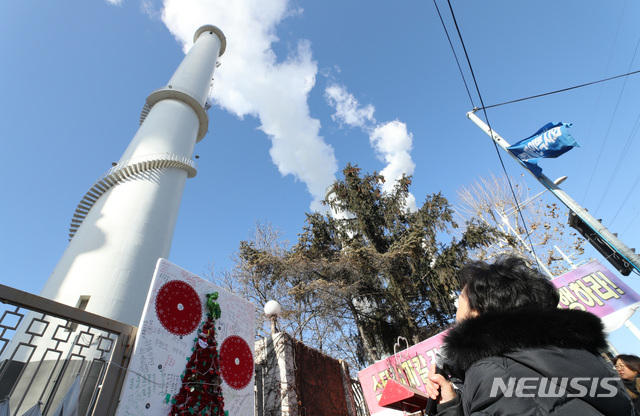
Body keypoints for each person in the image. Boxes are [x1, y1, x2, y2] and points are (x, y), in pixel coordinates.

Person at [425, 255, 634, 415]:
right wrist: (453, 402)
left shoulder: (492, 372)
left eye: (461, 298)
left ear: (478, 311)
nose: (456, 308)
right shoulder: (583, 355)